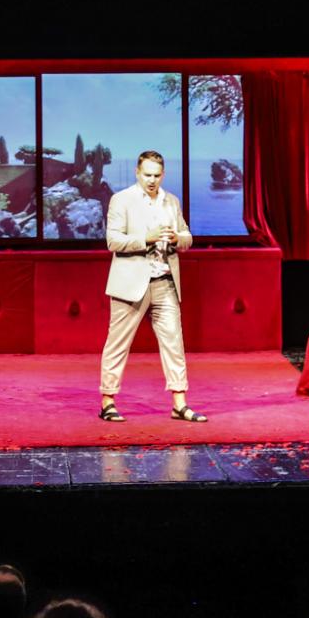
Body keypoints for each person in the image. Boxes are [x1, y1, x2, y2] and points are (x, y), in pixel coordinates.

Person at [99, 151, 205, 422]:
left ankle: (179, 403)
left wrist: (176, 238)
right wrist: (147, 238)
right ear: (137, 173)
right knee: (118, 343)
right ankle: (108, 401)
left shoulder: (171, 201)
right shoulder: (121, 200)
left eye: (156, 175)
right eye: (147, 175)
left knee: (174, 343)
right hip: (131, 284)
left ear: (163, 175)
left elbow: (187, 236)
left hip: (165, 282)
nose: (152, 180)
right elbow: (113, 241)